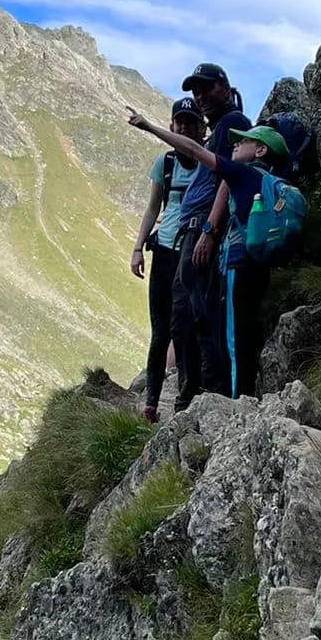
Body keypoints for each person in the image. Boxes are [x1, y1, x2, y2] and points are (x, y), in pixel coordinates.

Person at [127, 106, 292, 400]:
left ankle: (232, 399)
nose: (236, 144)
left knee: (230, 335)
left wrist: (149, 127)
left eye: (244, 141)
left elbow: (193, 149)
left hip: (237, 264)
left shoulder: (242, 174)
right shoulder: (269, 181)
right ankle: (237, 392)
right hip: (258, 265)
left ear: (261, 150)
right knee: (243, 330)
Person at [168, 63, 249, 405]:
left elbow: (231, 175)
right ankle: (193, 391)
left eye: (205, 88)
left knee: (202, 313)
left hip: (203, 228)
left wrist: (210, 230)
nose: (199, 96)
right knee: (186, 315)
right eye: (194, 90)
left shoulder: (233, 124)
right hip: (194, 228)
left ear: (224, 86)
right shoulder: (220, 127)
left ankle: (210, 390)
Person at [129, 97, 203, 420]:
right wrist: (137, 246)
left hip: (193, 255)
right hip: (163, 252)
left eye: (190, 122)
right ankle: (151, 402)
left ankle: (185, 400)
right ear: (172, 125)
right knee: (160, 332)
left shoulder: (207, 160)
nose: (184, 127)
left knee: (184, 328)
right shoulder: (166, 164)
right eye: (179, 122)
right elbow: (152, 208)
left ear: (202, 128)